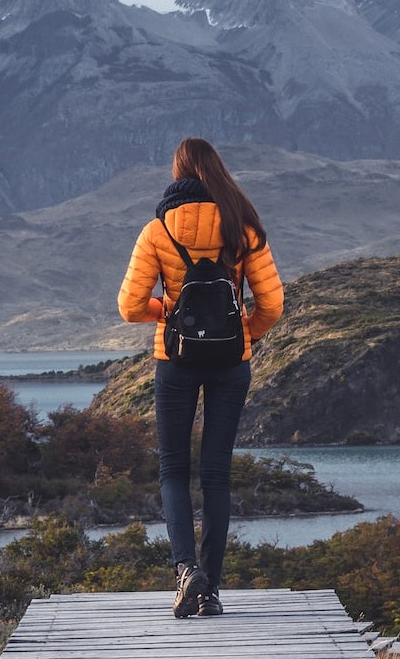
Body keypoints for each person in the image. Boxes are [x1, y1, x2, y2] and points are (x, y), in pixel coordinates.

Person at [118, 137, 284, 618]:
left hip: (176, 360)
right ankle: (209, 592)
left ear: (179, 173)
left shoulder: (157, 230)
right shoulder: (242, 225)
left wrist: (166, 310)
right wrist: (241, 335)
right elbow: (272, 305)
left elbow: (129, 306)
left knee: (173, 469)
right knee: (216, 474)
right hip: (232, 363)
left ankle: (186, 571)